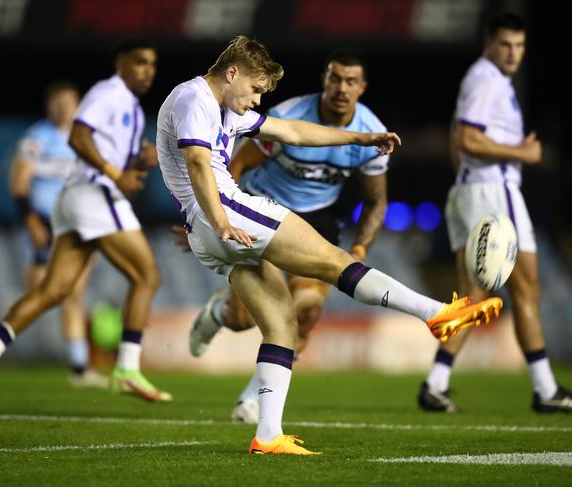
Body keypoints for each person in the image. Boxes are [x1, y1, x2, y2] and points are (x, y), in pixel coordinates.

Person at [156, 35, 503, 455]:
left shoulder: (224, 109)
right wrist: (222, 219)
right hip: (230, 212)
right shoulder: (195, 99)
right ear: (233, 73)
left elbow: (292, 132)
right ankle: (436, 313)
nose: (255, 101)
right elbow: (196, 162)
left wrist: (357, 140)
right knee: (335, 261)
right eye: (254, 90)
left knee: (282, 324)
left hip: (209, 231)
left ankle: (267, 435)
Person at [180, 48, 390, 424]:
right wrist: (215, 218)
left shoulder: (371, 132)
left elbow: (376, 203)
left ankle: (253, 399)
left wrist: (359, 247)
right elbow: (238, 165)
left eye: (351, 81)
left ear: (363, 87)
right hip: (261, 209)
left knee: (305, 312)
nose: (342, 88)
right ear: (324, 80)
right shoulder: (288, 113)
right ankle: (218, 313)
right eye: (335, 78)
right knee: (243, 319)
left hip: (319, 221)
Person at [0, 38, 170, 407]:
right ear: (119, 62)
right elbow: (78, 137)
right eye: (139, 62)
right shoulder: (108, 93)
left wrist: (141, 160)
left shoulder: (132, 108)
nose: (147, 71)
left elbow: (117, 160)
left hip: (77, 198)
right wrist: (114, 173)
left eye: (152, 64)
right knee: (147, 276)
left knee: (54, 291)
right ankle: (126, 368)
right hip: (93, 195)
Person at [417, 12, 572, 413]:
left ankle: (436, 382)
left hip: (473, 191)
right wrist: (522, 153)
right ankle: (545, 389)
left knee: (473, 295)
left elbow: (457, 133)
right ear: (489, 43)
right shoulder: (487, 79)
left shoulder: (481, 79)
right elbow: (468, 137)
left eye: (519, 46)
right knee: (527, 289)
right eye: (505, 44)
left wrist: (466, 181)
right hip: (495, 193)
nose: (513, 53)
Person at [10, 81, 107, 388]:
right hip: (45, 221)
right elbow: (19, 182)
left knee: (73, 293)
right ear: (49, 105)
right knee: (39, 292)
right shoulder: (36, 138)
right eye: (57, 102)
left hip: (77, 223)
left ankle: (79, 365)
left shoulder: (87, 139)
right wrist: (30, 220)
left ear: (78, 104)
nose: (63, 107)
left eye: (68, 101)